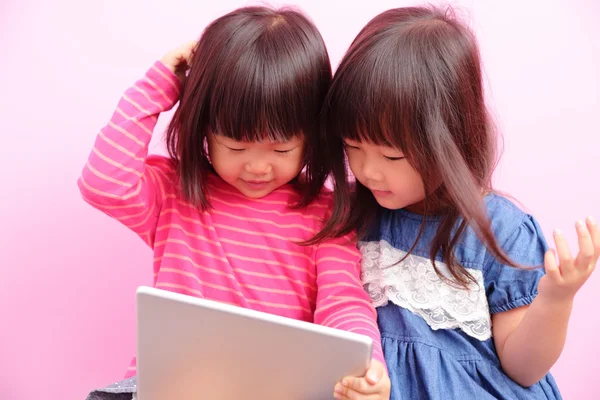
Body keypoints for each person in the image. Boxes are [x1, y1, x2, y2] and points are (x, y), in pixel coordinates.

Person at [79, 6, 389, 400]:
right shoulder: (175, 192)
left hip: (275, 390)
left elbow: (342, 301)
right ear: (203, 129)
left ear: (312, 136)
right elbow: (103, 183)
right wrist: (161, 84)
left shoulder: (327, 215)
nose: (257, 166)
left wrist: (365, 367)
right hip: (169, 385)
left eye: (281, 148)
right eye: (235, 146)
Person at [319, 6, 598, 400]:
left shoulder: (497, 230)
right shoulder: (353, 214)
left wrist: (556, 298)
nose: (368, 170)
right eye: (352, 146)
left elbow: (524, 368)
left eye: (392, 156)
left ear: (450, 139)